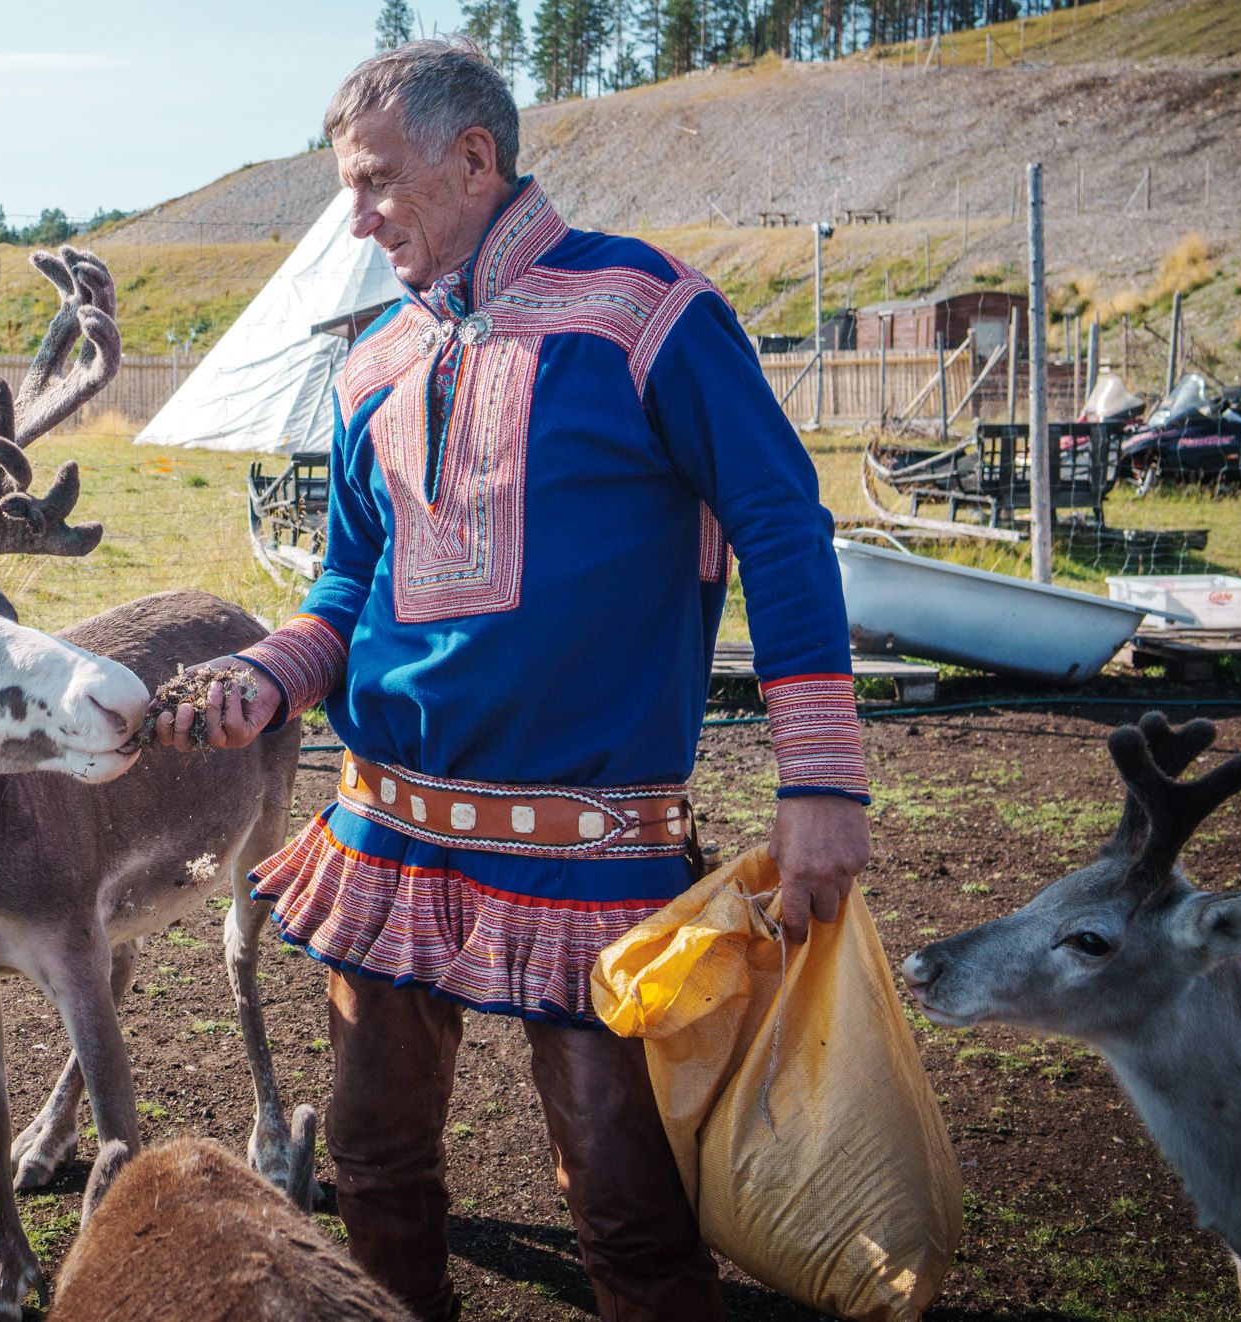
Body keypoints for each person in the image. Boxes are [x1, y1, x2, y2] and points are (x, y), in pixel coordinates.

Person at [156, 37, 870, 1322]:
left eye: (374, 183)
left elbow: (780, 521)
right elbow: (344, 591)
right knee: (373, 1168)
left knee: (631, 1214)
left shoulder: (647, 312)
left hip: (589, 848)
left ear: (473, 157)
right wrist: (265, 679)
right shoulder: (370, 361)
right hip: (386, 827)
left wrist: (819, 778)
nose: (357, 218)